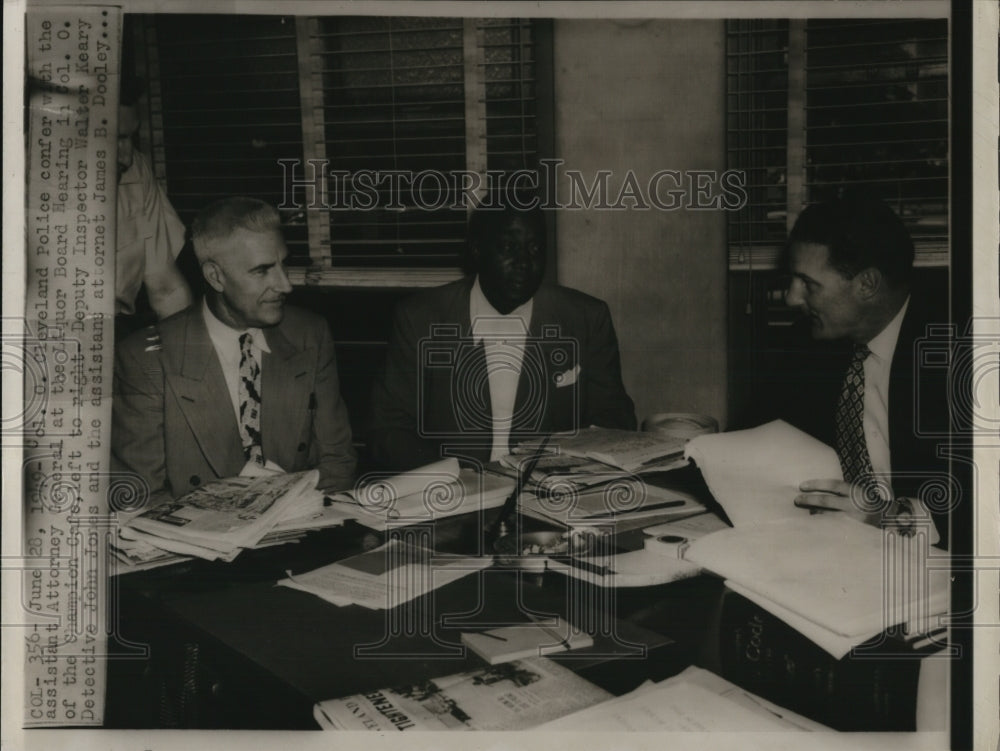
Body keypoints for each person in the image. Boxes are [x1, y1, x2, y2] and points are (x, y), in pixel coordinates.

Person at [112, 197, 356, 509]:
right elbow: (142, 497)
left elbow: (338, 463)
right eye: (262, 270)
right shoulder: (146, 358)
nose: (285, 285)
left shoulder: (310, 334)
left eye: (284, 263)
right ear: (215, 276)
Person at [371, 201, 637, 471]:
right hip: (453, 495)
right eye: (509, 247)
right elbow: (389, 429)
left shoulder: (587, 318)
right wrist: (452, 479)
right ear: (477, 250)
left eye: (535, 249)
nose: (523, 262)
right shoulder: (420, 318)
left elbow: (615, 419)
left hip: (553, 491)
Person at [779, 195, 951, 544]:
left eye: (808, 284)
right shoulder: (806, 344)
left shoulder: (958, 353)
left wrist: (891, 518)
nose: (792, 298)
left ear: (867, 285)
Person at [115, 80, 193, 338]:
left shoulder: (136, 169)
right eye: (115, 139)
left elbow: (166, 288)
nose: (126, 157)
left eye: (129, 138)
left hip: (115, 334)